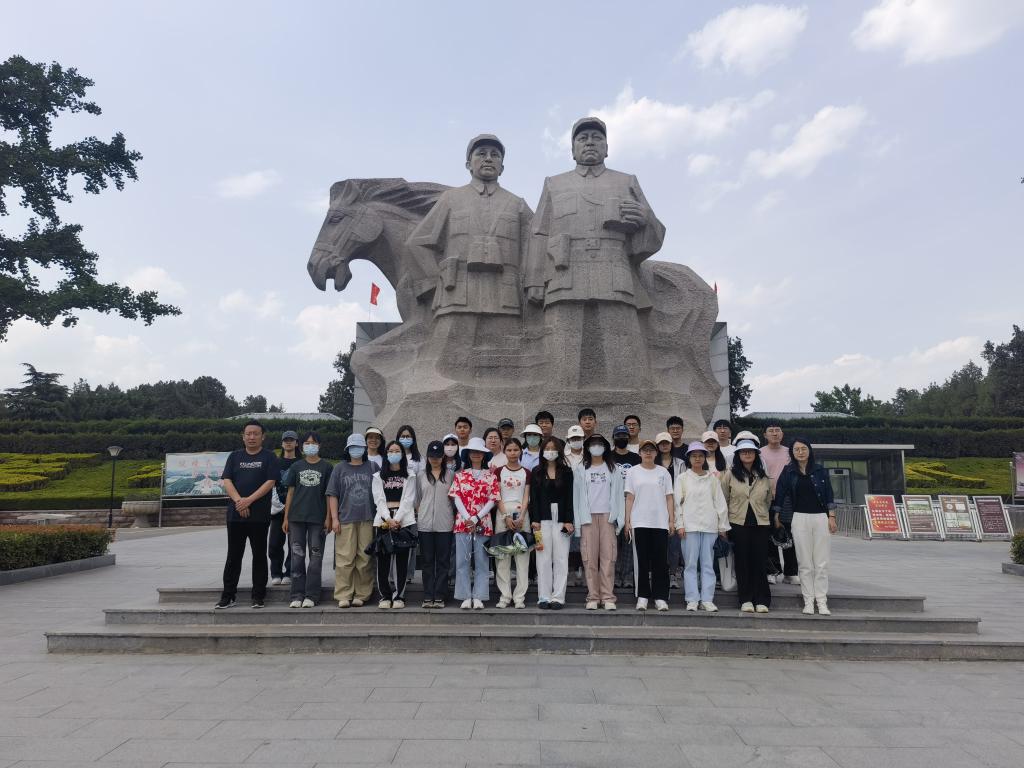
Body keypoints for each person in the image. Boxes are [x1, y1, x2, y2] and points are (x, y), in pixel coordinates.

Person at [525, 116, 665, 389]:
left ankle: (628, 401)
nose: (590, 142)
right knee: (563, 340)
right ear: (573, 149)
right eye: (583, 138)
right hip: (565, 269)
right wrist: (534, 281)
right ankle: (560, 397)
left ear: (607, 148)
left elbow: (654, 234)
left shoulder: (626, 181)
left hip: (613, 267)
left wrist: (644, 219)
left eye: (597, 138)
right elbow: (539, 233)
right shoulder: (554, 183)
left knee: (620, 337)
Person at [216, 420, 280, 609]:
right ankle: (228, 596)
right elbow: (227, 480)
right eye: (248, 434)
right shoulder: (234, 456)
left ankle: (258, 596)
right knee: (233, 556)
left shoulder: (269, 457)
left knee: (259, 555)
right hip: (235, 515)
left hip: (259, 516)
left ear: (263, 436)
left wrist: (248, 500)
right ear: (243, 436)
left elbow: (270, 482)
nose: (252, 437)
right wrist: (239, 501)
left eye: (255, 433)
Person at [772, 438, 837, 615]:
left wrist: (832, 516)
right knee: (805, 563)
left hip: (820, 518)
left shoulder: (820, 470)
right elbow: (780, 493)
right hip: (799, 518)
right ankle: (808, 601)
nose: (800, 452)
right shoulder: (788, 471)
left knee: (821, 563)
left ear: (809, 450)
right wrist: (776, 515)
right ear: (792, 453)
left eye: (803, 448)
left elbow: (829, 494)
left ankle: (821, 601)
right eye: (796, 449)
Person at [720, 439, 774, 614]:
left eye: (751, 451)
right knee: (742, 562)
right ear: (738, 455)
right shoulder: (730, 474)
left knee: (759, 561)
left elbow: (768, 500)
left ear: (756, 455)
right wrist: (723, 526)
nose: (747, 454)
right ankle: (746, 599)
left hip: (760, 523)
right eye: (743, 452)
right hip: (737, 523)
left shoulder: (763, 476)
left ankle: (762, 600)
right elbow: (723, 500)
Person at [675, 442, 729, 612]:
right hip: (689, 527)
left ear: (705, 458)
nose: (697, 459)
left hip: (709, 526)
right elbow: (677, 504)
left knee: (707, 564)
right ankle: (692, 599)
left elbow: (720, 503)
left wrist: (722, 527)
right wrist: (679, 524)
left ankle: (707, 599)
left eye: (700, 455)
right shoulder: (682, 478)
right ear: (689, 458)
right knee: (690, 564)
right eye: (694, 456)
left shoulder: (712, 479)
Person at [282, 431, 333, 608]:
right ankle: (297, 595)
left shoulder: (327, 467)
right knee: (297, 557)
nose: (310, 446)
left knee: (315, 557)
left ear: (319, 445)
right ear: (302, 446)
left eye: (314, 443)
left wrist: (329, 518)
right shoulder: (296, 466)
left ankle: (312, 595)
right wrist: (286, 517)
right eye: (307, 443)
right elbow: (290, 493)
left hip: (317, 519)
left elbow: (329, 495)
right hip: (296, 518)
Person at [573, 433, 623, 610]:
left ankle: (608, 597)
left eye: (599, 444)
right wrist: (578, 524)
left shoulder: (613, 469)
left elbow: (619, 496)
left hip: (608, 518)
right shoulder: (581, 469)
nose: (596, 447)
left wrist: (619, 520)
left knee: (608, 558)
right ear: (587, 448)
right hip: (588, 519)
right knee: (589, 559)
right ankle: (593, 597)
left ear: (605, 447)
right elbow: (576, 498)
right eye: (593, 444)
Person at [327, 433, 377, 608]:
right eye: (353, 447)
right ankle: (344, 594)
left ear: (364, 449)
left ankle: (362, 594)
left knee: (365, 558)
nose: (356, 450)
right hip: (345, 519)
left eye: (360, 447)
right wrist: (334, 518)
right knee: (344, 558)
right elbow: (332, 494)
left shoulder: (373, 467)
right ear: (348, 449)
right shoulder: (339, 468)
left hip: (368, 519)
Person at [449, 436, 499, 609]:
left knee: (482, 561)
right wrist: (468, 517)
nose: (476, 454)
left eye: (479, 452)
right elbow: (456, 497)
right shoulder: (460, 475)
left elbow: (493, 499)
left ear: (484, 455)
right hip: (463, 523)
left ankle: (479, 596)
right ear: (468, 454)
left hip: (483, 523)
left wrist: (476, 517)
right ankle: (464, 595)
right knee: (462, 561)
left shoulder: (491, 476)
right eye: (473, 452)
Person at [624, 439, 674, 611]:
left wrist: (671, 520)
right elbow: (629, 498)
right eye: (644, 450)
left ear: (656, 453)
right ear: (639, 453)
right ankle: (643, 596)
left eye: (651, 450)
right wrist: (627, 521)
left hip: (660, 522)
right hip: (639, 521)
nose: (648, 453)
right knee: (642, 561)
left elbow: (669, 497)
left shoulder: (663, 472)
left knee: (660, 561)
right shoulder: (633, 472)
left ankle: (661, 597)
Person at [371, 441, 417, 609]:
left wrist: (397, 519)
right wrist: (388, 519)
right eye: (390, 451)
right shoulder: (378, 476)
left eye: (397, 451)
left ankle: (399, 596)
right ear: (386, 454)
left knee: (401, 561)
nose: (394, 454)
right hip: (383, 520)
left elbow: (409, 499)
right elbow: (378, 499)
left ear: (402, 454)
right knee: (383, 559)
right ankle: (385, 596)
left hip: (403, 520)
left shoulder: (410, 475)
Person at [531, 436, 574, 608]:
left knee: (561, 558)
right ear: (542, 451)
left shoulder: (567, 472)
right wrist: (535, 519)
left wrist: (569, 520)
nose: (550, 451)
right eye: (547, 448)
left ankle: (558, 597)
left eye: (553, 448)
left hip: (561, 520)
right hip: (542, 519)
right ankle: (544, 596)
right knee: (543, 559)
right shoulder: (536, 471)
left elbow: (570, 497)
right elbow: (534, 498)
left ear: (559, 451)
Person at [415, 441, 455, 608]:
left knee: (444, 561)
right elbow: (417, 499)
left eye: (438, 456)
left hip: (445, 524)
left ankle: (439, 595)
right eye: (432, 456)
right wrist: (422, 514)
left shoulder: (451, 475)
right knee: (427, 561)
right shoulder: (420, 475)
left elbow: (454, 500)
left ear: (443, 457)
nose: (435, 459)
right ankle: (428, 595)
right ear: (427, 456)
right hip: (425, 525)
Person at [493, 438, 532, 608]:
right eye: (509, 450)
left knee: (522, 557)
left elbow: (526, 496)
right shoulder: (498, 472)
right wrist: (506, 516)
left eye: (516, 449)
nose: (512, 453)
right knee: (502, 557)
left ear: (520, 451)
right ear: (504, 451)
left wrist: (521, 516)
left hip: (522, 514)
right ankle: (505, 596)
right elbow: (497, 496)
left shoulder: (526, 472)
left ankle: (519, 598)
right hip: (503, 514)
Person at [761, 421, 798, 585]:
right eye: (771, 430)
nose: (774, 433)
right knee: (769, 536)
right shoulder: (760, 453)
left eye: (777, 430)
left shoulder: (790, 452)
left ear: (782, 434)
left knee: (789, 534)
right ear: (765, 435)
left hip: (787, 499)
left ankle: (791, 572)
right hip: (766, 499)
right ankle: (773, 571)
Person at [655, 431, 687, 588]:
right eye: (661, 443)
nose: (664, 446)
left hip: (674, 507)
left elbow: (684, 485)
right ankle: (658, 573)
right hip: (655, 507)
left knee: (674, 544)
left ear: (671, 444)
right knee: (658, 544)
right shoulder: (653, 463)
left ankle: (673, 574)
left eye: (667, 443)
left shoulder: (680, 463)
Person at [611, 424, 641, 590]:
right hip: (613, 503)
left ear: (628, 438)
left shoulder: (636, 458)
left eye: (624, 436)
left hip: (631, 502)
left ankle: (628, 574)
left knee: (629, 538)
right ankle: (615, 574)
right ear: (613, 438)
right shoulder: (608, 457)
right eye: (618, 436)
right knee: (613, 540)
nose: (621, 439)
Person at [269, 429, 298, 586]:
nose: (288, 442)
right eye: (286, 440)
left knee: (294, 544)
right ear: (282, 443)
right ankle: (276, 572)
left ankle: (289, 572)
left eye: (291, 440)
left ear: (296, 443)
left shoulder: (301, 463)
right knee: (274, 543)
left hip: (296, 510)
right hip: (277, 509)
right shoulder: (275, 463)